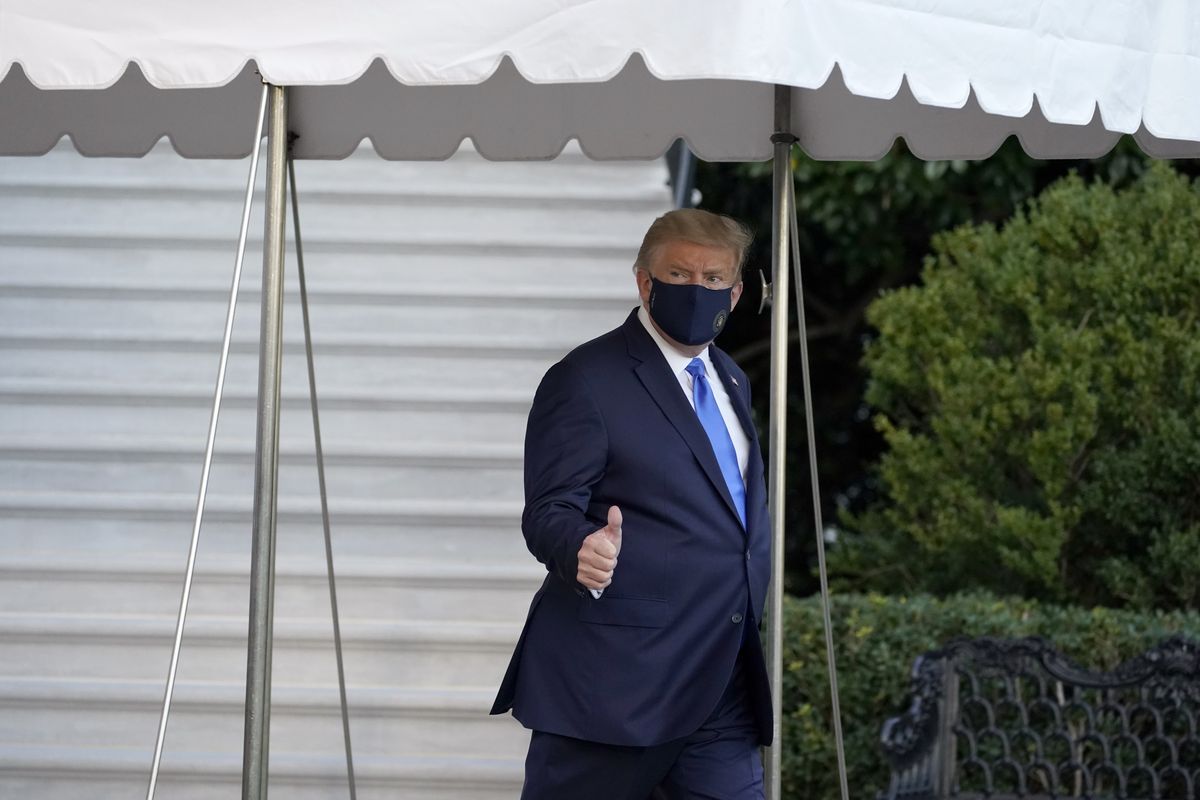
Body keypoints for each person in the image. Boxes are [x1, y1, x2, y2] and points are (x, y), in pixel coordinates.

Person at [491, 209, 772, 800]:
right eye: (680, 273)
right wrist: (581, 548)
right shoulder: (584, 378)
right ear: (645, 282)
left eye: (715, 278)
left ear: (738, 290)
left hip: (720, 679)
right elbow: (549, 511)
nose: (699, 290)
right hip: (615, 689)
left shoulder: (731, 379)